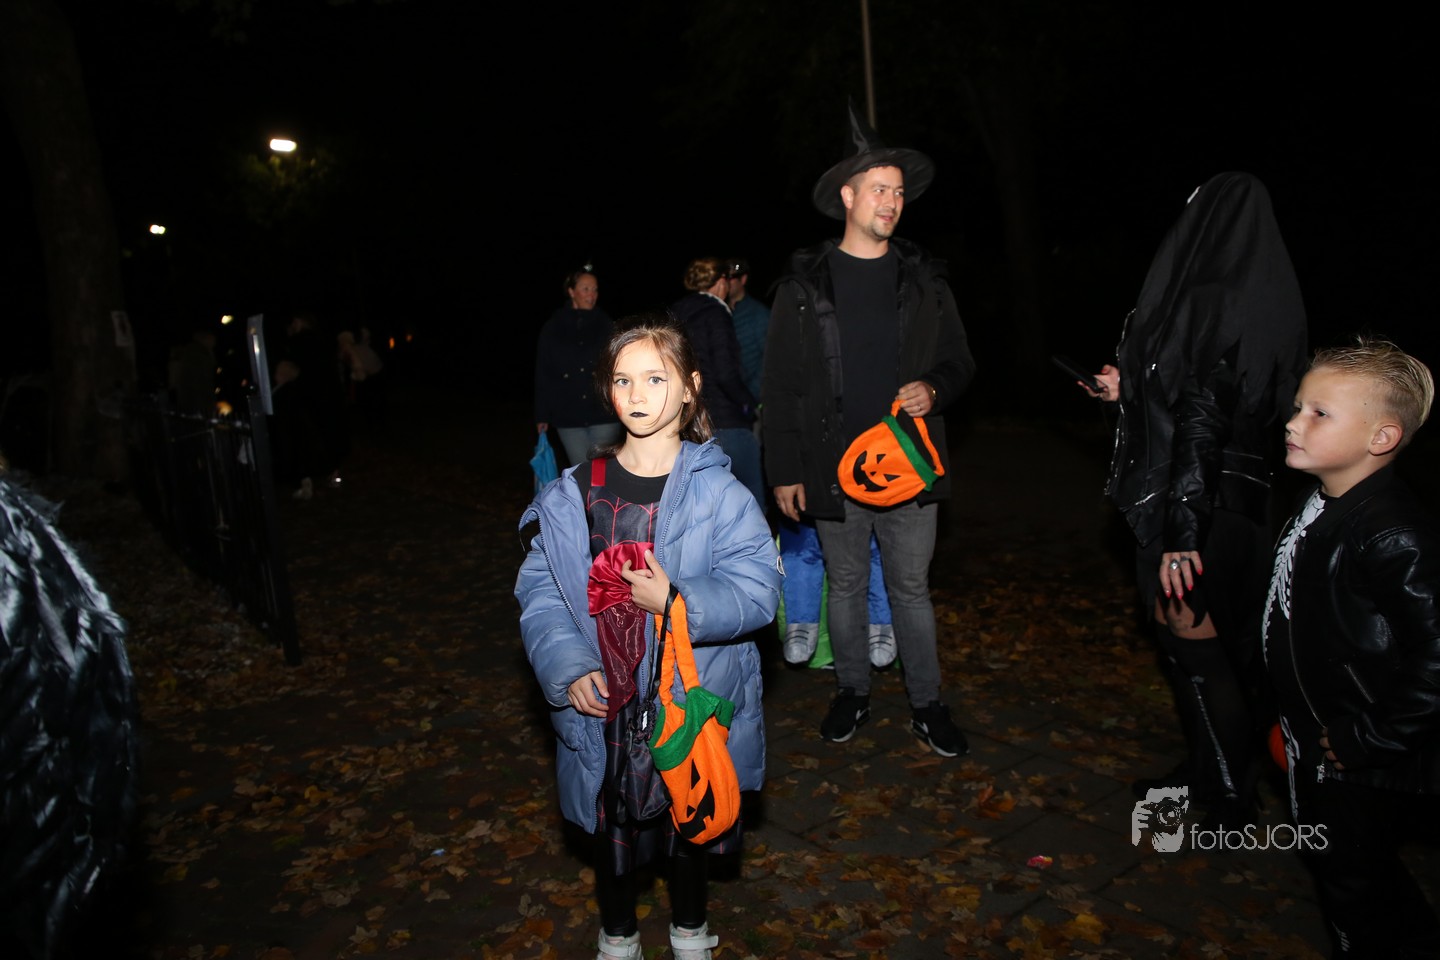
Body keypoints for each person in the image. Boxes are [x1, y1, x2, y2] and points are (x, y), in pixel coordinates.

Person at [515, 316, 780, 960]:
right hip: (607, 699)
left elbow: (758, 590)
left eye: (655, 379)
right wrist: (568, 664)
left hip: (686, 694)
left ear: (690, 388)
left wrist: (678, 600)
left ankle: (689, 931)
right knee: (613, 822)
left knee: (690, 817)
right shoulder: (574, 492)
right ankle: (618, 935)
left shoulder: (718, 492)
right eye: (623, 380)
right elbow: (542, 589)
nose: (637, 394)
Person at [1082, 172, 1307, 824]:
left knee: (1200, 656)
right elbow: (1205, 402)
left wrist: (1181, 536)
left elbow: (1204, 422)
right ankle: (1209, 770)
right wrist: (1127, 391)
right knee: (1210, 656)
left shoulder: (1214, 299)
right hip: (1241, 508)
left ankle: (1228, 796)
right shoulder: (1271, 299)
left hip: (1194, 506)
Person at [762, 101, 975, 756]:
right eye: (880, 189)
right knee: (847, 585)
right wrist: (785, 471)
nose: (892, 202)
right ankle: (851, 691)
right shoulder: (803, 286)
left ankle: (928, 704)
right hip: (833, 467)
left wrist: (934, 387)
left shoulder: (924, 279)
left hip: (909, 463)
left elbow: (960, 361)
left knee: (911, 590)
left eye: (899, 192)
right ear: (848, 197)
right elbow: (781, 385)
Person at [1263, 338, 1440, 956]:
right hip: (1311, 733)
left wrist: (1373, 736)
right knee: (1354, 874)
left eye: (1320, 414)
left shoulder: (1391, 532)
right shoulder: (1321, 500)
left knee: (1353, 888)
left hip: (1353, 757)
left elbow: (1436, 654)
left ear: (1381, 438)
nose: (1294, 422)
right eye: (1298, 406)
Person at [670, 258, 764, 505]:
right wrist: (748, 404)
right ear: (721, 282)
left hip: (692, 425)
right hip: (726, 421)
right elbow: (725, 373)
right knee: (750, 500)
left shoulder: (676, 314)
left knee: (709, 504)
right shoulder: (716, 312)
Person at [535, 268, 623, 467]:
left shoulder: (607, 325)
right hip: (567, 415)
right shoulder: (553, 327)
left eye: (595, 289)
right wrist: (542, 414)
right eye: (586, 289)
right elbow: (543, 372)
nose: (592, 294)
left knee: (601, 472)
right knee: (582, 471)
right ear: (571, 291)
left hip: (603, 413)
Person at [724, 257, 770, 402]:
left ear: (743, 279)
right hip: (724, 400)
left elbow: (768, 357)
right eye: (724, 278)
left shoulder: (759, 313)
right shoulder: (718, 312)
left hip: (750, 399)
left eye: (731, 278)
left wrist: (750, 395)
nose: (726, 282)